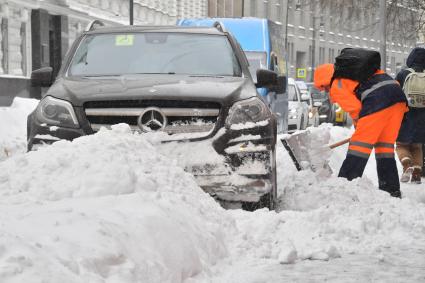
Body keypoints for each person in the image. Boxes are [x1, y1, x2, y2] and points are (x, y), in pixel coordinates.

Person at [314, 61, 408, 198]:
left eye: (324, 88)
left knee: (359, 146)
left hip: (379, 102)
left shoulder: (337, 84)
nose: (326, 91)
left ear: (325, 81)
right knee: (384, 148)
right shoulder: (352, 75)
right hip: (398, 99)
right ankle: (391, 189)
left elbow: (356, 109)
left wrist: (361, 130)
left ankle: (344, 188)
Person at [395, 47, 425, 184]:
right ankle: (417, 173)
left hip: (405, 117)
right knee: (417, 146)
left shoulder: (403, 74)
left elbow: (394, 93)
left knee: (401, 145)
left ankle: (407, 164)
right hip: (422, 119)